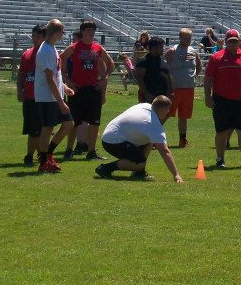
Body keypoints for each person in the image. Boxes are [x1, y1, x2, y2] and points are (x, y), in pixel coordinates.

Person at [204, 29, 241, 169]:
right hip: (222, 100)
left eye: (235, 41)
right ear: (226, 42)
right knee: (221, 131)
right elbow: (208, 79)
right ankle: (220, 160)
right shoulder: (216, 57)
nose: (233, 44)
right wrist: (207, 97)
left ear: (239, 42)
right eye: (230, 42)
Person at [95, 95, 184, 182]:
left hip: (111, 133)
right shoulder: (153, 125)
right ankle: (105, 168)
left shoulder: (145, 105)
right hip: (112, 141)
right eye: (168, 109)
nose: (168, 111)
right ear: (162, 109)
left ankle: (139, 172)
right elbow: (164, 151)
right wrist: (176, 175)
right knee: (140, 163)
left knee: (149, 141)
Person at [60, 20, 115, 160]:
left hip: (93, 89)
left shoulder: (97, 47)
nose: (91, 33)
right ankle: (69, 149)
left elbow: (110, 63)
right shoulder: (74, 47)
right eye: (88, 30)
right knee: (74, 122)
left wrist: (104, 79)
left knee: (94, 122)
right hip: (77, 89)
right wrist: (67, 79)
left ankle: (91, 151)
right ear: (82, 31)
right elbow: (60, 61)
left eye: (93, 30)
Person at [34, 18, 75, 173]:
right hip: (47, 97)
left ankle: (48, 154)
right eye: (62, 31)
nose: (63, 34)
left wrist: (64, 87)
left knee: (68, 124)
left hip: (55, 95)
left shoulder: (52, 48)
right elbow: (49, 78)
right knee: (47, 128)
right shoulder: (45, 50)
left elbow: (56, 75)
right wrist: (61, 102)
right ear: (56, 32)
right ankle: (44, 161)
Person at [164, 27, 201, 148]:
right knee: (166, 113)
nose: (187, 40)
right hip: (175, 88)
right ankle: (154, 139)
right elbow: (163, 67)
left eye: (189, 37)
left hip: (189, 88)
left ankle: (182, 139)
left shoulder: (192, 51)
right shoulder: (172, 50)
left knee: (184, 116)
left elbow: (199, 66)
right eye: (185, 37)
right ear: (179, 38)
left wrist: (192, 77)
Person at [16, 24, 46, 166]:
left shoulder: (48, 53)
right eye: (33, 36)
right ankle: (29, 155)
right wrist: (19, 89)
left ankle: (40, 154)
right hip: (30, 96)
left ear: (44, 37)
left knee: (43, 129)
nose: (35, 39)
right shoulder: (26, 54)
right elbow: (21, 74)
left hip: (43, 97)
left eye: (38, 36)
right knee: (33, 129)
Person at [136, 35, 173, 105]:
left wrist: (171, 91)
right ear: (153, 48)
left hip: (163, 95)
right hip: (149, 96)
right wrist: (146, 93)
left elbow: (168, 75)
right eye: (161, 47)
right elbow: (139, 79)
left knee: (162, 115)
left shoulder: (162, 60)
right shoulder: (143, 62)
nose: (163, 49)